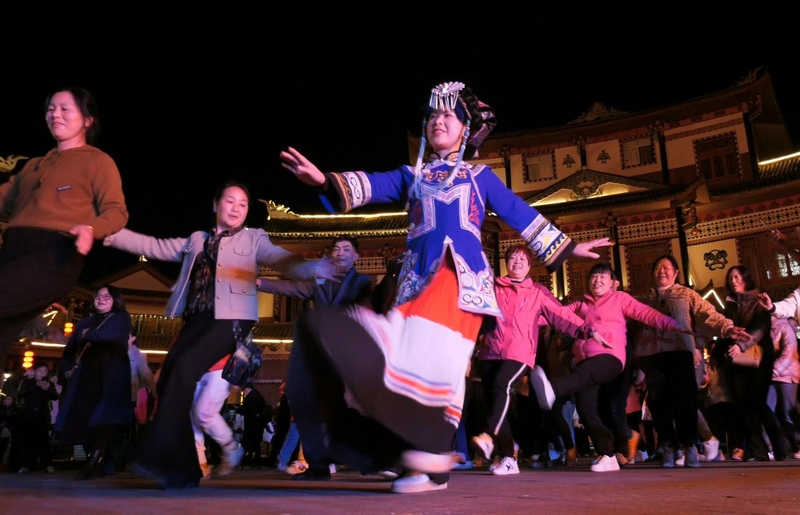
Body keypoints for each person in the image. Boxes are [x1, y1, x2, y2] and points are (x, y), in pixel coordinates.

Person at [279, 80, 610, 493]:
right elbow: (371, 185)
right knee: (421, 364)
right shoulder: (412, 175)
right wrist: (324, 181)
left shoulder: (479, 177)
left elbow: (519, 212)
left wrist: (569, 247)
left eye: (448, 115)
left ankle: (426, 456)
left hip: (461, 280)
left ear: (466, 129)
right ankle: (425, 462)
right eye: (433, 114)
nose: (438, 121)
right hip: (415, 284)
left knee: (418, 353)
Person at [103, 180, 346, 488]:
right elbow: (155, 246)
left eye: (243, 204)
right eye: (230, 201)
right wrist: (113, 236)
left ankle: (165, 459)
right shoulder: (197, 240)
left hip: (230, 320)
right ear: (216, 205)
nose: (236, 208)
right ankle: (184, 467)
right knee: (169, 378)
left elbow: (280, 258)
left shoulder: (253, 238)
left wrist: (313, 268)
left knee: (185, 370)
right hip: (196, 320)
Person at [0, 86, 128, 358]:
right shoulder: (34, 165)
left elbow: (117, 211)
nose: (55, 115)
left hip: (53, 254)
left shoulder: (98, 161)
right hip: (12, 253)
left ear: (87, 119)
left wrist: (91, 230)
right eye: (50, 109)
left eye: (64, 109)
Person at [530, 263, 691, 472]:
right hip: (584, 362)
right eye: (594, 276)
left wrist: (673, 325)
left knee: (599, 394)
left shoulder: (620, 299)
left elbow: (647, 314)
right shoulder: (581, 304)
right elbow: (556, 315)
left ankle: (554, 390)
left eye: (603, 277)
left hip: (609, 357)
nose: (597, 280)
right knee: (587, 412)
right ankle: (607, 455)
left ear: (612, 283)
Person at [470, 244, 595, 476]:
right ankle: (508, 457)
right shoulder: (492, 286)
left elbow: (562, 314)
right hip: (490, 351)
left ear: (529, 266)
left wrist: (587, 330)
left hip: (520, 353)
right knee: (493, 406)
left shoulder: (537, 292)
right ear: (506, 262)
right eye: (513, 258)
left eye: (522, 259)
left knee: (502, 385)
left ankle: (488, 437)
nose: (517, 262)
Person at [257, 235, 373, 480]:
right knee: (309, 406)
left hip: (348, 356)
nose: (340, 252)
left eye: (346, 249)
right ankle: (317, 465)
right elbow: (292, 288)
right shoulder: (319, 281)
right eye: (336, 248)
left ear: (356, 256)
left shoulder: (364, 282)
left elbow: (367, 308)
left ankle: (371, 457)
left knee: (355, 409)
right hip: (320, 355)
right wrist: (258, 282)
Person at [632, 255, 750, 468]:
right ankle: (667, 446)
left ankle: (689, 446)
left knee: (684, 402)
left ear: (676, 273)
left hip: (679, 352)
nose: (662, 271)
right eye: (658, 267)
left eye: (667, 267)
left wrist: (727, 327)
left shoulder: (686, 294)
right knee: (658, 404)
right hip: (651, 355)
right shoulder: (643, 298)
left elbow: (708, 314)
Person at [55, 285, 133, 479]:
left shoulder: (121, 318)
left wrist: (89, 334)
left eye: (107, 296)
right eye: (98, 295)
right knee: (85, 415)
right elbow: (71, 349)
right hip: (87, 374)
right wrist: (65, 369)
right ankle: (102, 460)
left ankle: (94, 460)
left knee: (105, 416)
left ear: (115, 299)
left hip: (111, 374)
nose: (101, 299)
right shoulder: (85, 322)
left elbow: (115, 337)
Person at [716, 265, 790, 461]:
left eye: (738, 276)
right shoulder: (729, 304)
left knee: (758, 402)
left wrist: (741, 345)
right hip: (736, 361)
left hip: (759, 359)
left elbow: (760, 328)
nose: (734, 280)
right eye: (731, 277)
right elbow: (724, 329)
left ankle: (780, 446)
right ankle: (759, 450)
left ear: (747, 278)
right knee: (742, 405)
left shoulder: (758, 300)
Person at [15, 363, 59, 474]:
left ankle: (47, 464)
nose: (42, 373)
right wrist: (36, 385)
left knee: (44, 440)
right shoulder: (27, 382)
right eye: (40, 370)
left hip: (42, 414)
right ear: (35, 371)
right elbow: (20, 393)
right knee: (27, 440)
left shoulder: (49, 383)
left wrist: (48, 389)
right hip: (28, 414)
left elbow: (55, 396)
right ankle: (27, 465)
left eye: (45, 371)